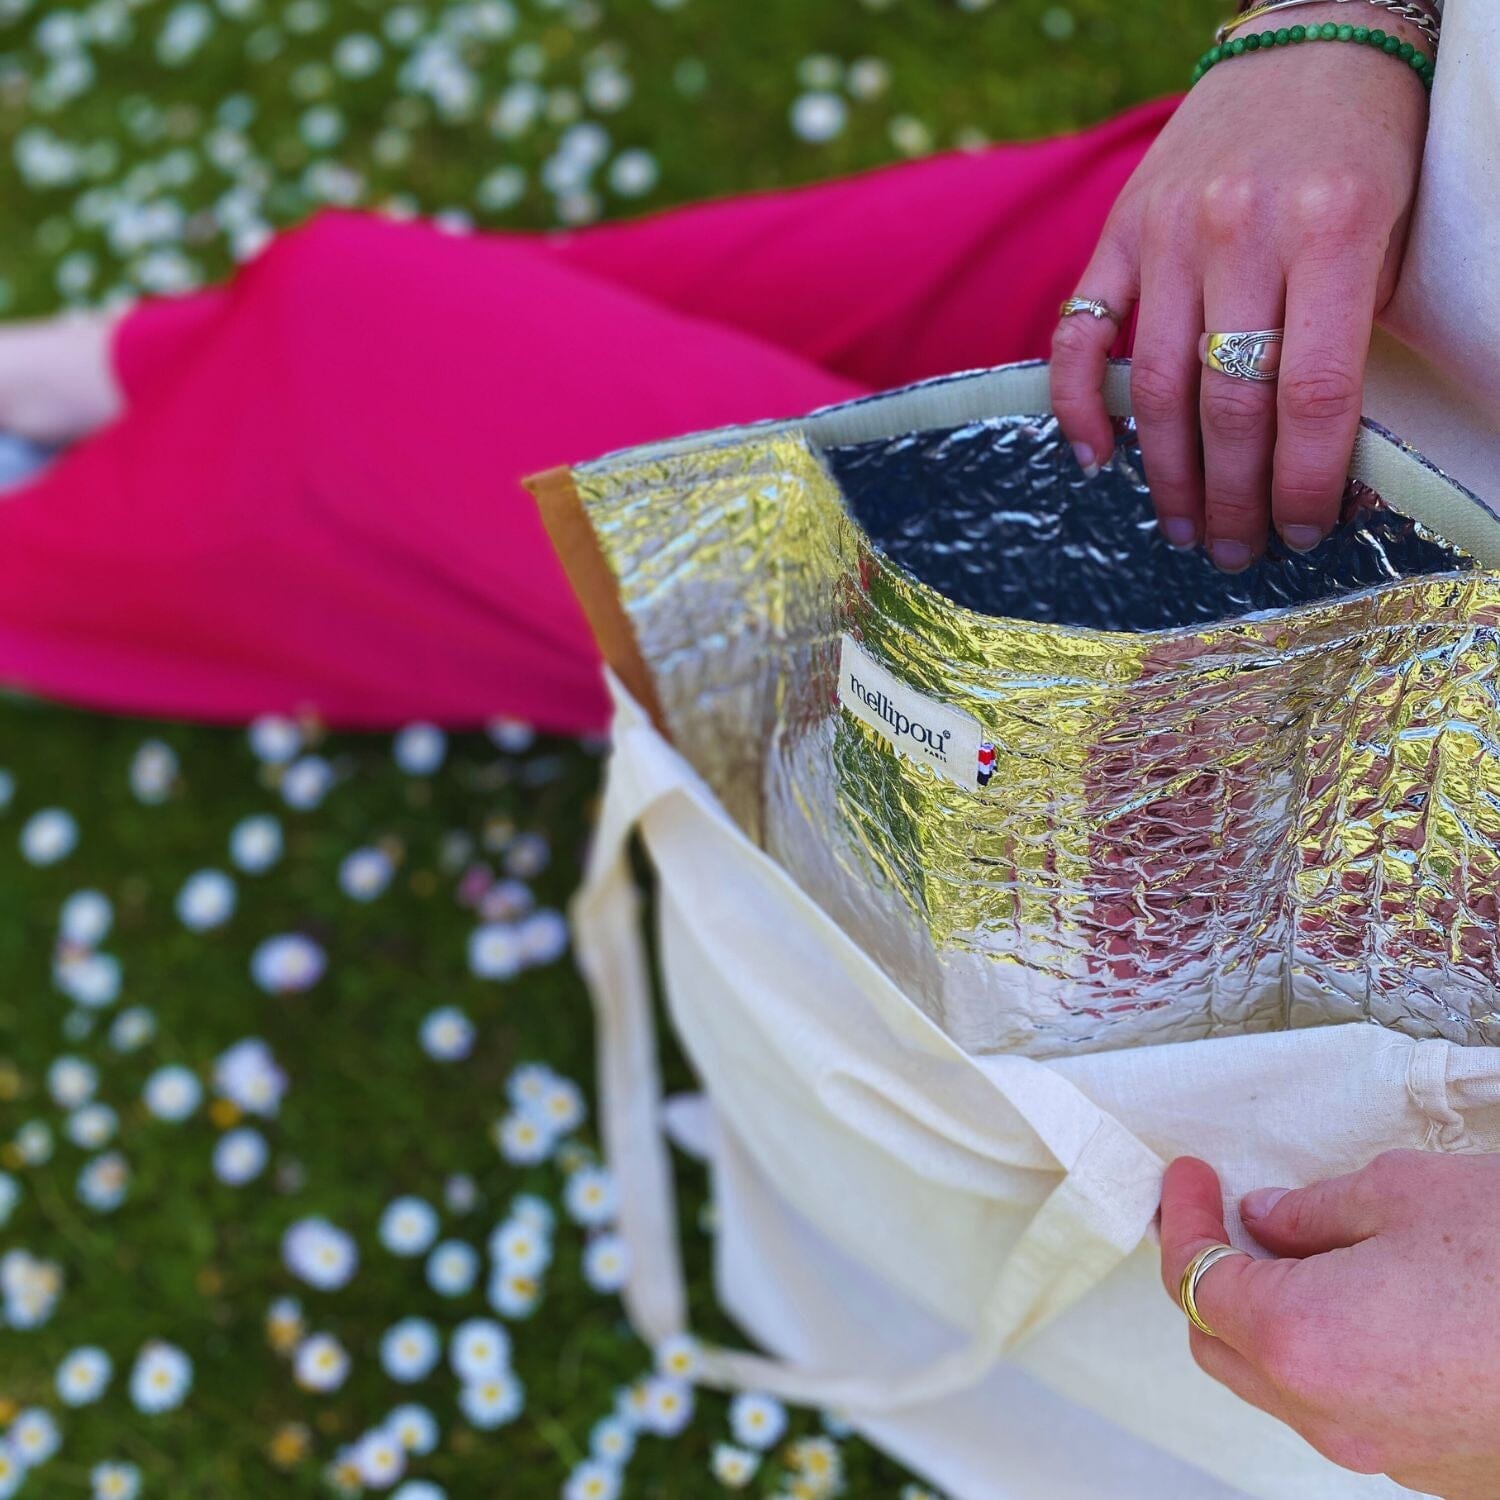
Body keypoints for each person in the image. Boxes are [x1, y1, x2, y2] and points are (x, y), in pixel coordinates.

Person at [1, 0, 1497, 1492]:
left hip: (1380, 751)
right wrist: (1339, 31)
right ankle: (164, 368)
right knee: (886, 282)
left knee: (367, 351)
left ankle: (77, 507)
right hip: (1430, 216)